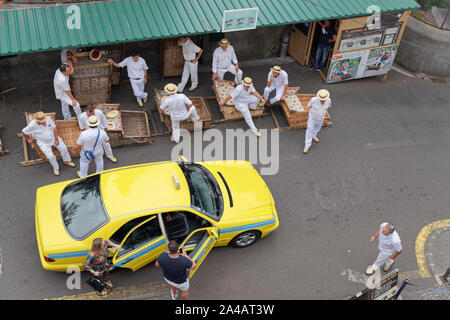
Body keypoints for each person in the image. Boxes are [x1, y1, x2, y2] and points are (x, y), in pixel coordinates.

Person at [22, 111, 76, 176]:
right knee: (50, 156)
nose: (44, 121)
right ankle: (56, 168)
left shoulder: (48, 119)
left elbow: (54, 128)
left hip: (53, 138)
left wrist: (56, 139)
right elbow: (23, 131)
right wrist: (28, 139)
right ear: (37, 121)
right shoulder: (32, 125)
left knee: (63, 148)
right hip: (43, 143)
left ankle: (67, 161)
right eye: (42, 121)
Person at [303, 89, 330, 154]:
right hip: (312, 117)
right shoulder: (313, 100)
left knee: (318, 128)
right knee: (309, 129)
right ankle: (307, 145)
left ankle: (314, 135)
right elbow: (309, 106)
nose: (322, 100)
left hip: (321, 117)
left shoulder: (329, 100)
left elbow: (327, 107)